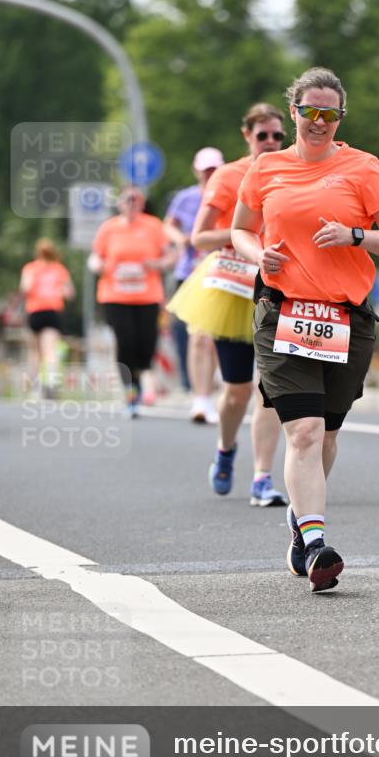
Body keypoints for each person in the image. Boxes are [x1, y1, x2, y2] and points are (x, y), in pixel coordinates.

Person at [232, 67, 379, 592]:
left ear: (340, 117)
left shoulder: (363, 167)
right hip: (282, 312)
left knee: (328, 434)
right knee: (304, 431)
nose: (318, 122)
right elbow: (242, 228)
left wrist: (357, 235)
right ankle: (315, 543)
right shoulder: (266, 169)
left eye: (328, 113)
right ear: (293, 113)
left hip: (345, 318)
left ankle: (299, 517)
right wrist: (256, 253)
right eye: (309, 111)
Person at [168, 104, 287, 507]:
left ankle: (262, 478)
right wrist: (243, 234)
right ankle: (225, 448)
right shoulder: (228, 175)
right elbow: (198, 237)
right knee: (237, 391)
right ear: (246, 136)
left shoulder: (293, 169)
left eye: (277, 136)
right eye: (263, 136)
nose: (271, 142)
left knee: (270, 388)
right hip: (234, 289)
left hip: (282, 288)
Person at [89, 187, 175, 416]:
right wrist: (98, 265)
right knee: (125, 341)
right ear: (120, 204)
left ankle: (139, 379)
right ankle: (130, 388)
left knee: (146, 343)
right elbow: (95, 257)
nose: (131, 205)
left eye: (136, 202)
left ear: (141, 204)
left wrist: (157, 264)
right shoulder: (109, 228)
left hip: (147, 295)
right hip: (115, 295)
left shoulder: (153, 226)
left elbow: (170, 256)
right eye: (127, 201)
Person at [164, 147, 224, 423]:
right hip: (189, 272)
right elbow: (169, 225)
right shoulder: (186, 198)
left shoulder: (229, 194)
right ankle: (198, 397)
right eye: (205, 169)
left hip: (221, 271)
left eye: (214, 169)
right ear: (196, 170)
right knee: (196, 335)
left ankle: (206, 394)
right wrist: (180, 239)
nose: (209, 174)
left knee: (210, 339)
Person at [19, 238, 75, 397]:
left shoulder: (30, 268)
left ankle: (35, 388)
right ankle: (51, 383)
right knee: (50, 351)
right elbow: (70, 293)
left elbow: (25, 288)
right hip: (52, 311)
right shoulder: (59, 269)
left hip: (35, 311)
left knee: (34, 352)